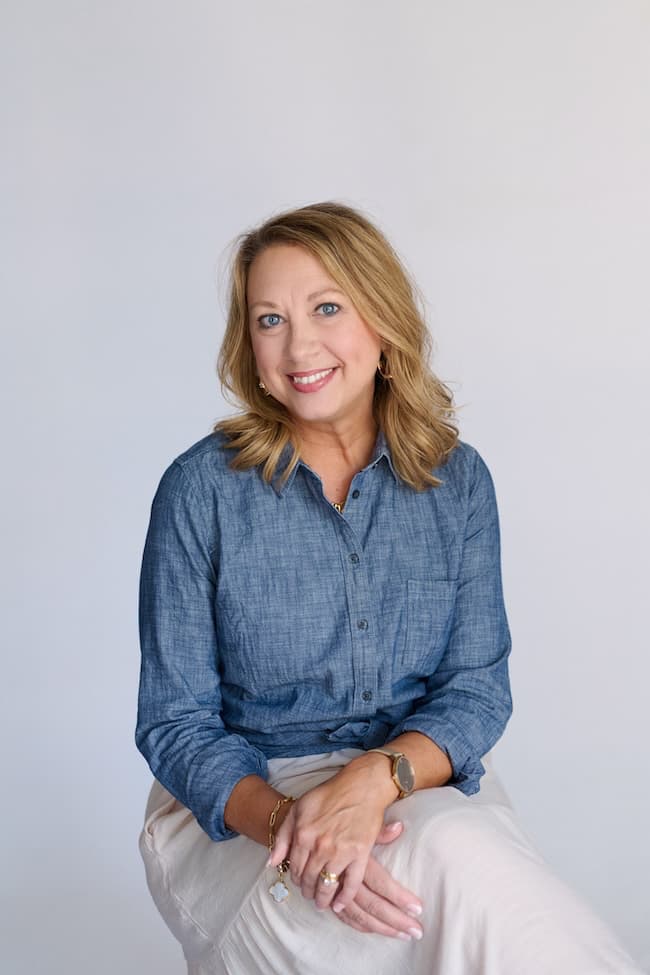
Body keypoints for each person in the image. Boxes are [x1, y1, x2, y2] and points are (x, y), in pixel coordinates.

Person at [136, 202, 642, 975]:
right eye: (268, 319)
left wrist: (376, 779)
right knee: (456, 878)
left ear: (384, 324)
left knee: (463, 869)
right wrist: (298, 824)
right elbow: (176, 725)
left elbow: (475, 689)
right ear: (250, 346)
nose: (298, 344)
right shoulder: (199, 492)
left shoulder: (457, 481)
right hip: (247, 801)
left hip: (413, 774)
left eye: (326, 307)